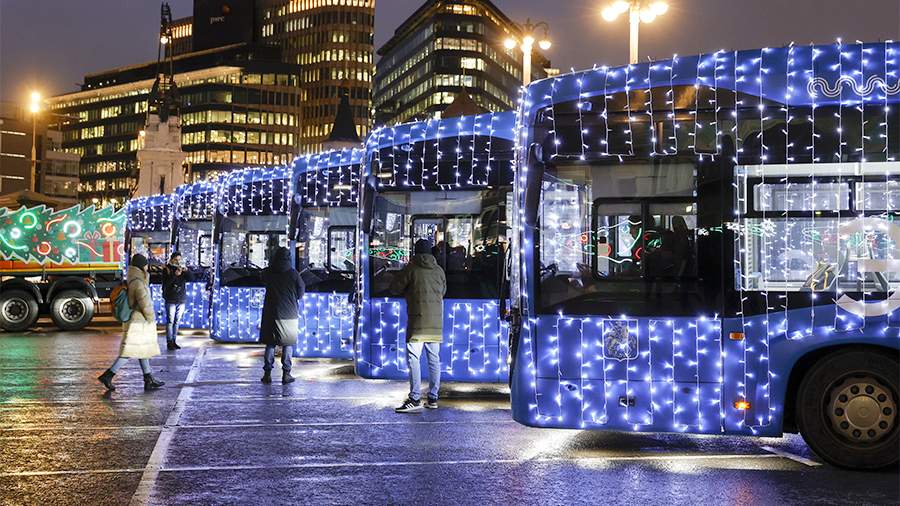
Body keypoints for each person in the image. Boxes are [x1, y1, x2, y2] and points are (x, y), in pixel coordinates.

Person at [391, 239, 447, 413]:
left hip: (417, 322)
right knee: (434, 360)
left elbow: (395, 288)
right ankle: (433, 397)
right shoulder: (439, 271)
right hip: (436, 323)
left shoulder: (411, 269)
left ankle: (415, 397)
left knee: (414, 359)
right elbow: (443, 292)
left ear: (415, 252)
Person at [97, 254, 165, 392]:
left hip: (135, 321)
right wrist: (151, 318)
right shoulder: (138, 282)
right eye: (146, 264)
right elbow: (144, 303)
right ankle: (108, 375)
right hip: (139, 322)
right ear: (141, 266)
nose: (148, 267)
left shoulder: (133, 279)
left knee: (141, 350)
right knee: (128, 352)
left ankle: (148, 378)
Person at [259, 246, 305, 384]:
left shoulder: (267, 273)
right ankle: (286, 374)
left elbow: (262, 279)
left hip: (271, 313)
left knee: (270, 344)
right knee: (288, 344)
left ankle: (267, 374)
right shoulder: (293, 274)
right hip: (289, 314)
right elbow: (301, 291)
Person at [161, 252, 192, 351]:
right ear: (172, 259)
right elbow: (166, 284)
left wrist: (187, 271)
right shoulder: (167, 269)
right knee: (170, 321)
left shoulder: (182, 269)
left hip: (181, 298)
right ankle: (169, 342)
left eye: (179, 260)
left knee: (177, 321)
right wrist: (174, 275)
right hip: (170, 299)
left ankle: (174, 341)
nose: (178, 262)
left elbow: (192, 278)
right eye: (176, 260)